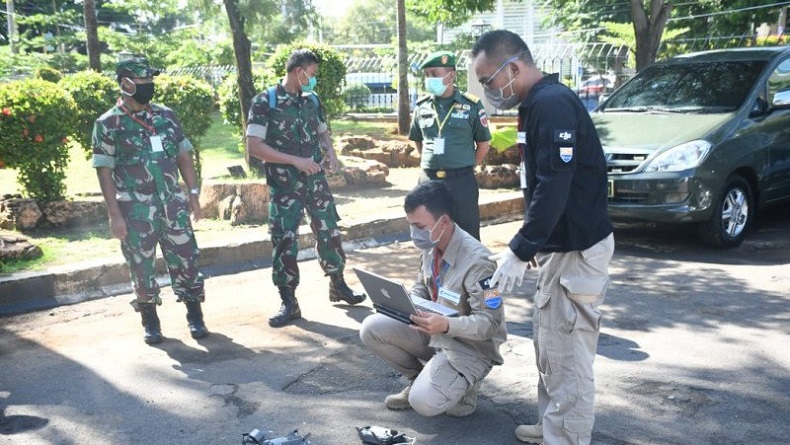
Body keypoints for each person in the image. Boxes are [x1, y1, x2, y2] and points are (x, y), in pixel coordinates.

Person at [471, 30, 615, 445]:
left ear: (513, 68)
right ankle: (553, 423)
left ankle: (566, 437)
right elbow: (540, 184)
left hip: (578, 250)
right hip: (561, 246)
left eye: (488, 80)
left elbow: (555, 184)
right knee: (550, 340)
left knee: (568, 351)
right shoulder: (536, 104)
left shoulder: (551, 105)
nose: (488, 90)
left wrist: (521, 248)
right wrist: (536, 245)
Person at [359, 180, 506, 418]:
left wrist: (446, 324)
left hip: (469, 346)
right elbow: (422, 285)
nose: (414, 233)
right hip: (433, 330)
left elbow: (490, 324)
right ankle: (419, 379)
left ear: (444, 221)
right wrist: (410, 304)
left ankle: (467, 384)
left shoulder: (479, 262)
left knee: (424, 403)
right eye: (411, 226)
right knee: (371, 328)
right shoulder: (432, 244)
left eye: (419, 226)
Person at [92, 55, 209, 345]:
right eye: (144, 80)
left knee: (187, 260)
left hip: (173, 205)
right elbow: (104, 172)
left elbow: (184, 155)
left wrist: (193, 193)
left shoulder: (166, 115)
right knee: (140, 265)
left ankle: (195, 316)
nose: (150, 85)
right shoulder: (108, 123)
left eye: (151, 80)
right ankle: (150, 321)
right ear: (126, 83)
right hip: (135, 210)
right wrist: (114, 214)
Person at [246, 49, 366, 328]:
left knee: (329, 231)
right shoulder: (266, 101)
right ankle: (289, 301)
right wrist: (295, 161)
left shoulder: (311, 100)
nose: (313, 80)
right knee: (284, 239)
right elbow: (254, 146)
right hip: (284, 186)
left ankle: (338, 285)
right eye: (311, 74)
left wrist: (331, 153)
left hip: (316, 181)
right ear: (298, 71)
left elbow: (323, 130)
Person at [409, 50, 492, 241]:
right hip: (429, 181)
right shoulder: (422, 106)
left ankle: (471, 271)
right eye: (427, 75)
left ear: (451, 75)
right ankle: (432, 271)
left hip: (461, 181)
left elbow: (483, 144)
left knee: (467, 234)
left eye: (435, 74)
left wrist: (468, 166)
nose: (430, 79)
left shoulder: (471, 105)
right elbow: (417, 140)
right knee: (429, 234)